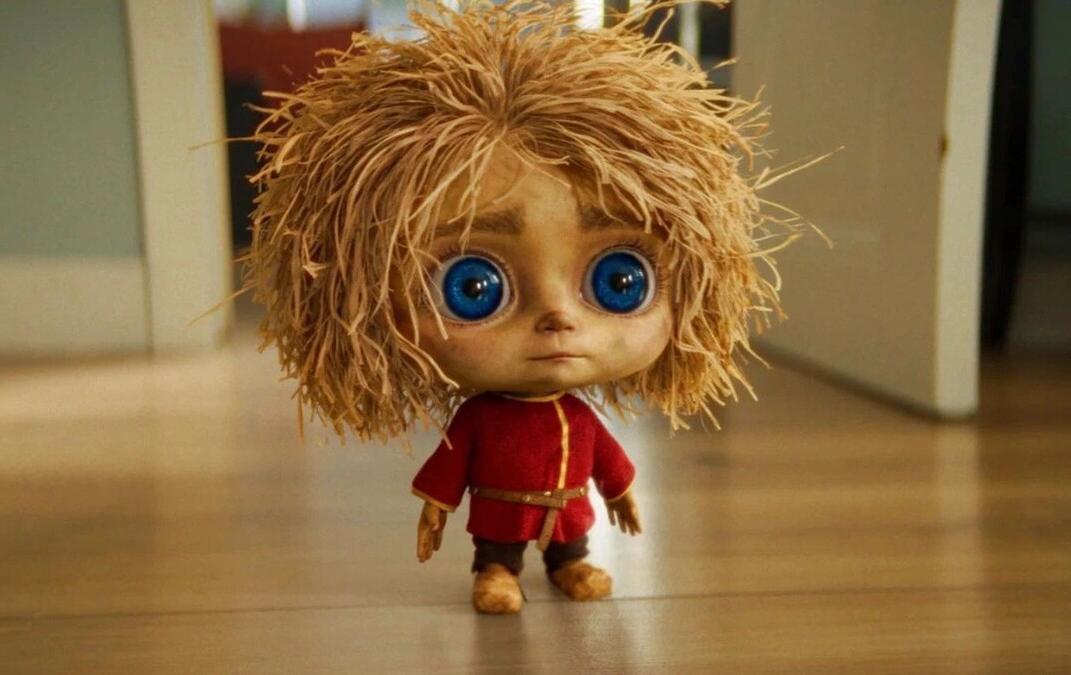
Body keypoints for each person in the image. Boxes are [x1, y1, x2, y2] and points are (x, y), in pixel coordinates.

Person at [242, 0, 802, 614]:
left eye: (618, 280)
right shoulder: (479, 422)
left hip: (568, 512)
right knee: (498, 544)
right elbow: (448, 469)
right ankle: (496, 571)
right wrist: (435, 509)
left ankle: (570, 562)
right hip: (499, 515)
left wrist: (620, 493)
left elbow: (608, 461)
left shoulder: (577, 419)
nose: (559, 317)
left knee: (571, 538)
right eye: (473, 287)